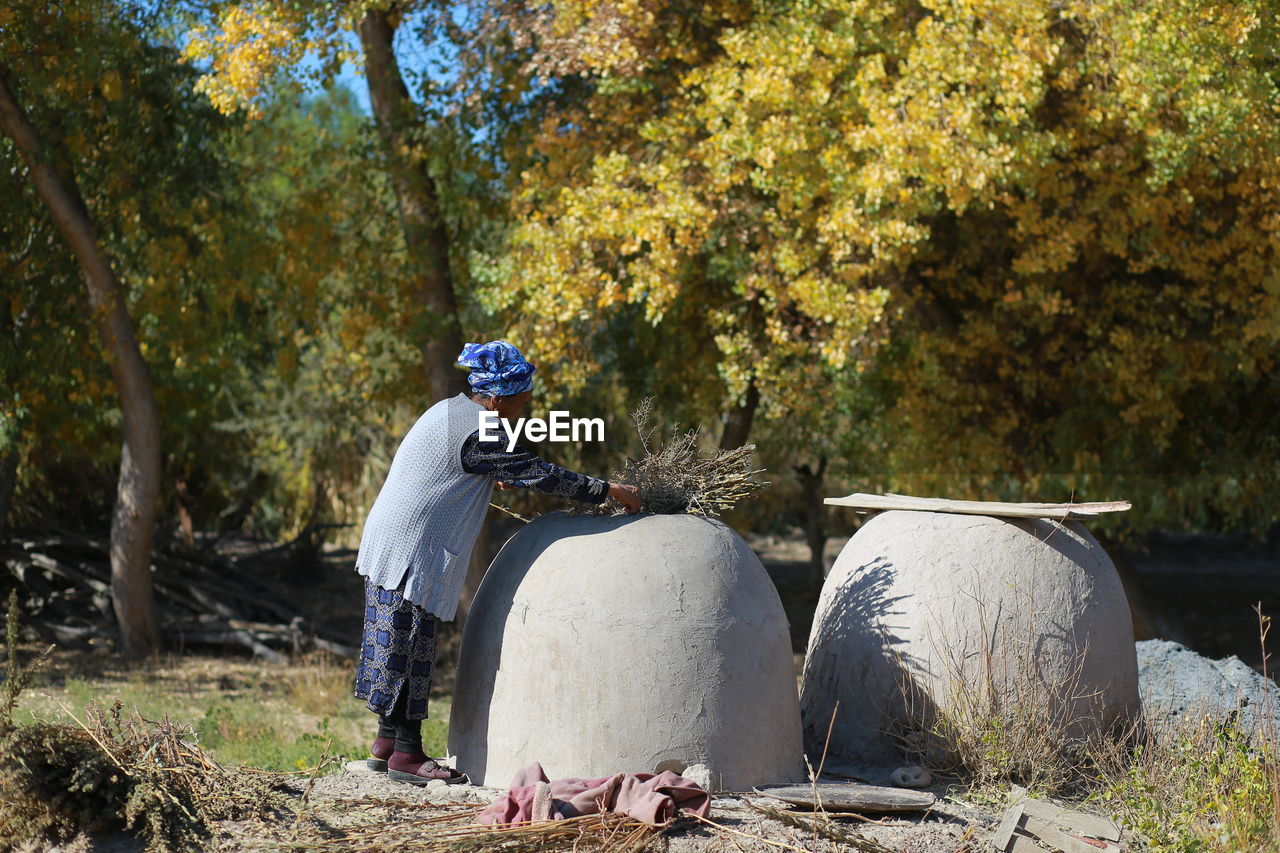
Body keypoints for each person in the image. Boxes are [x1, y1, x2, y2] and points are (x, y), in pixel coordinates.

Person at [352, 340, 642, 785]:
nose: (525, 406)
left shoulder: (452, 411)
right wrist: (609, 490)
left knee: (394, 647)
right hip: (414, 550)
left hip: (390, 541)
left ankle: (387, 742)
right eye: (523, 398)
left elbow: (466, 464)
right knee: (410, 649)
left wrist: (499, 469)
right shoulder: (483, 431)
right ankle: (407, 755)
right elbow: (542, 473)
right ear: (501, 396)